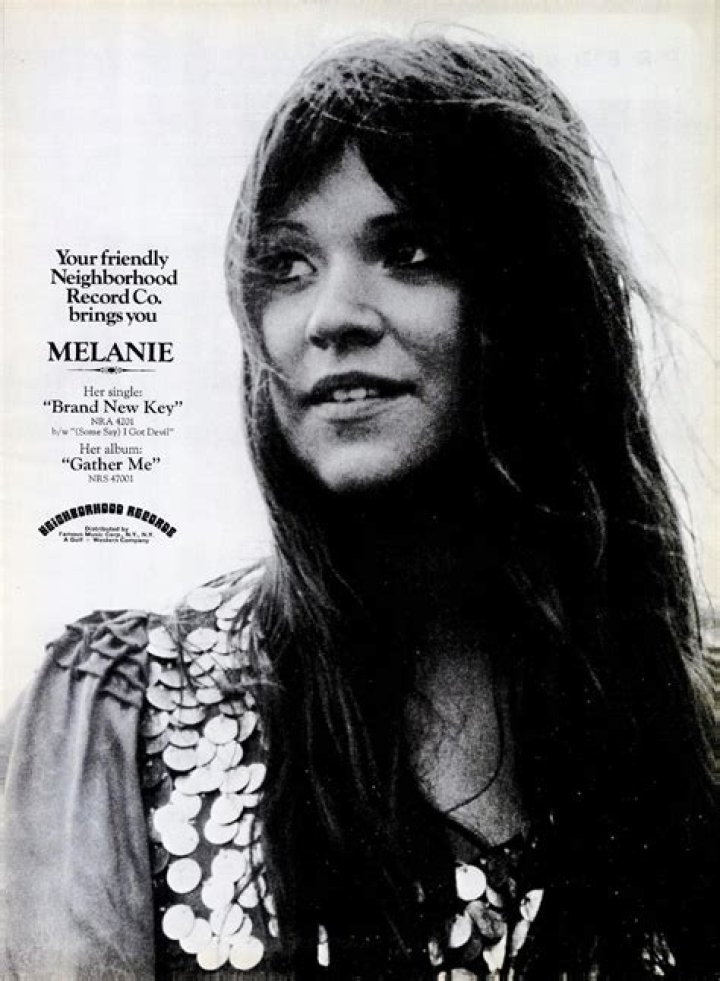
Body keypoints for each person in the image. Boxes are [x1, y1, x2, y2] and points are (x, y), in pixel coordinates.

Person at [2, 34, 717, 981]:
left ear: (538, 304)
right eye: (288, 264)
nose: (331, 315)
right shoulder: (121, 723)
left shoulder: (696, 722)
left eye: (408, 251)